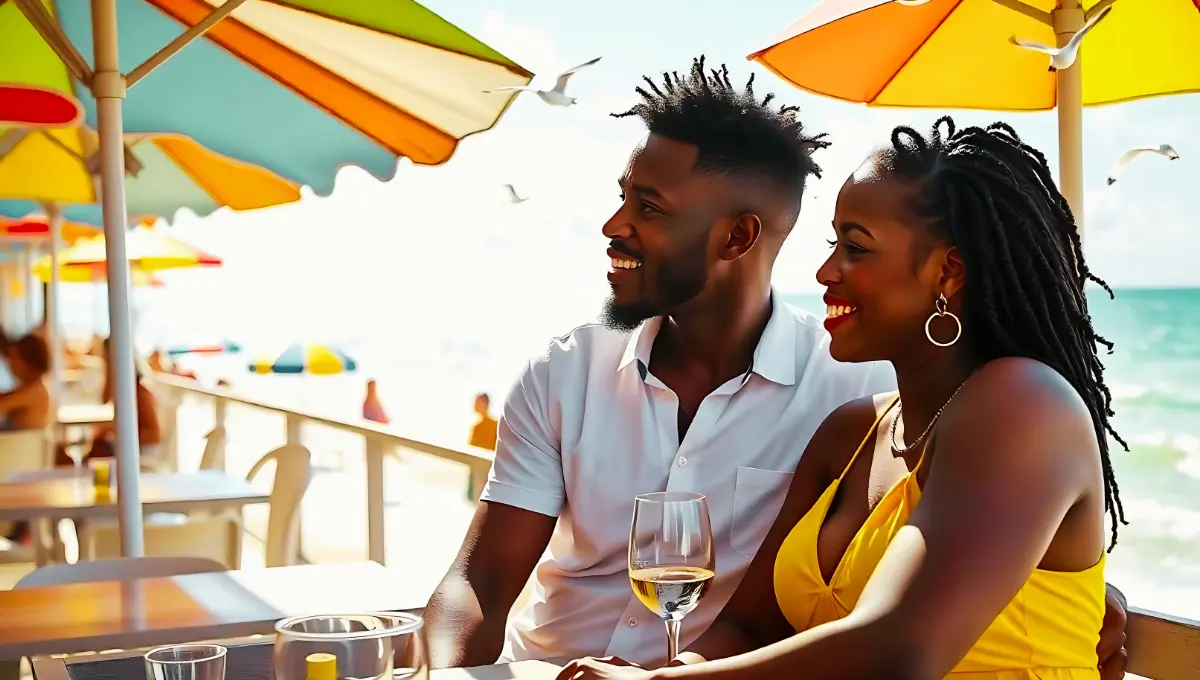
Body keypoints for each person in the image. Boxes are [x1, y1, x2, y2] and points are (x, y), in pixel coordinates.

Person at [555, 119, 1131, 679]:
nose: (826, 270)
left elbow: (898, 649)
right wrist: (669, 671)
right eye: (834, 242)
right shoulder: (851, 433)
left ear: (948, 271)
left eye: (855, 247)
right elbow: (749, 629)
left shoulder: (1023, 406)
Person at [421, 56, 899, 670]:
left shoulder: (855, 392)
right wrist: (439, 670)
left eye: (648, 208)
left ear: (736, 238)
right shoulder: (565, 370)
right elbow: (480, 581)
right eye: (623, 198)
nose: (612, 226)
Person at [91, 337, 162, 464]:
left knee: (97, 448)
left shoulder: (140, 392)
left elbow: (153, 436)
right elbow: (104, 402)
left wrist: (121, 434)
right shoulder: (121, 388)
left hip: (141, 455)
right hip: (125, 449)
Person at [0, 333, 51, 430]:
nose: (10, 363)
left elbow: (3, 404)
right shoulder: (31, 387)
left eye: (14, 357)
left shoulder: (36, 391)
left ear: (28, 361)